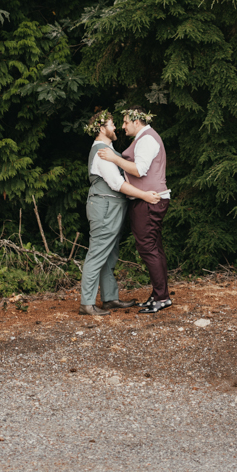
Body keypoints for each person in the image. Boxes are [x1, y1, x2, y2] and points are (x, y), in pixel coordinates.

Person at [79, 110, 161, 317]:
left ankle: (110, 299)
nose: (116, 127)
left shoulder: (108, 150)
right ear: (101, 128)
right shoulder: (100, 151)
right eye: (111, 124)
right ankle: (87, 303)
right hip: (105, 207)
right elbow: (117, 183)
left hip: (111, 207)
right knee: (97, 253)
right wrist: (144, 195)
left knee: (109, 255)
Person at [98, 107, 171, 314]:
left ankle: (162, 297)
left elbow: (140, 169)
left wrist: (114, 159)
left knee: (147, 247)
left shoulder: (147, 139)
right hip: (147, 199)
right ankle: (160, 294)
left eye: (125, 122)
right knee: (154, 246)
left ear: (136, 122)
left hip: (149, 200)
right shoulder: (143, 138)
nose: (123, 126)